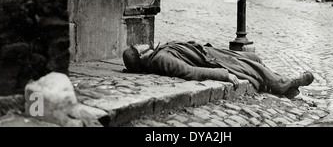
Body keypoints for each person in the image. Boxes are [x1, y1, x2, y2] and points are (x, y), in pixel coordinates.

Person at [122, 41, 314, 98]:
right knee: (253, 69)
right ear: (139, 55)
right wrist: (224, 75)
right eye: (136, 47)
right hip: (214, 62)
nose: (139, 43)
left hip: (211, 52)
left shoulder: (158, 51)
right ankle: (285, 84)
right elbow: (189, 72)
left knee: (254, 58)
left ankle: (287, 88)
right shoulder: (160, 60)